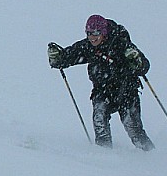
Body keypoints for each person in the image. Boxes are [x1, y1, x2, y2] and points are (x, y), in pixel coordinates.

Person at [47, 14, 155, 150]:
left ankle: (150, 155)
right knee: (99, 120)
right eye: (89, 33)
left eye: (96, 33)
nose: (92, 37)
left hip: (126, 91)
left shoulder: (120, 44)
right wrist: (58, 58)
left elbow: (144, 66)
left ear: (103, 32)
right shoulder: (88, 46)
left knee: (132, 127)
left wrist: (137, 62)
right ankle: (104, 155)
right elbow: (70, 55)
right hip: (102, 92)